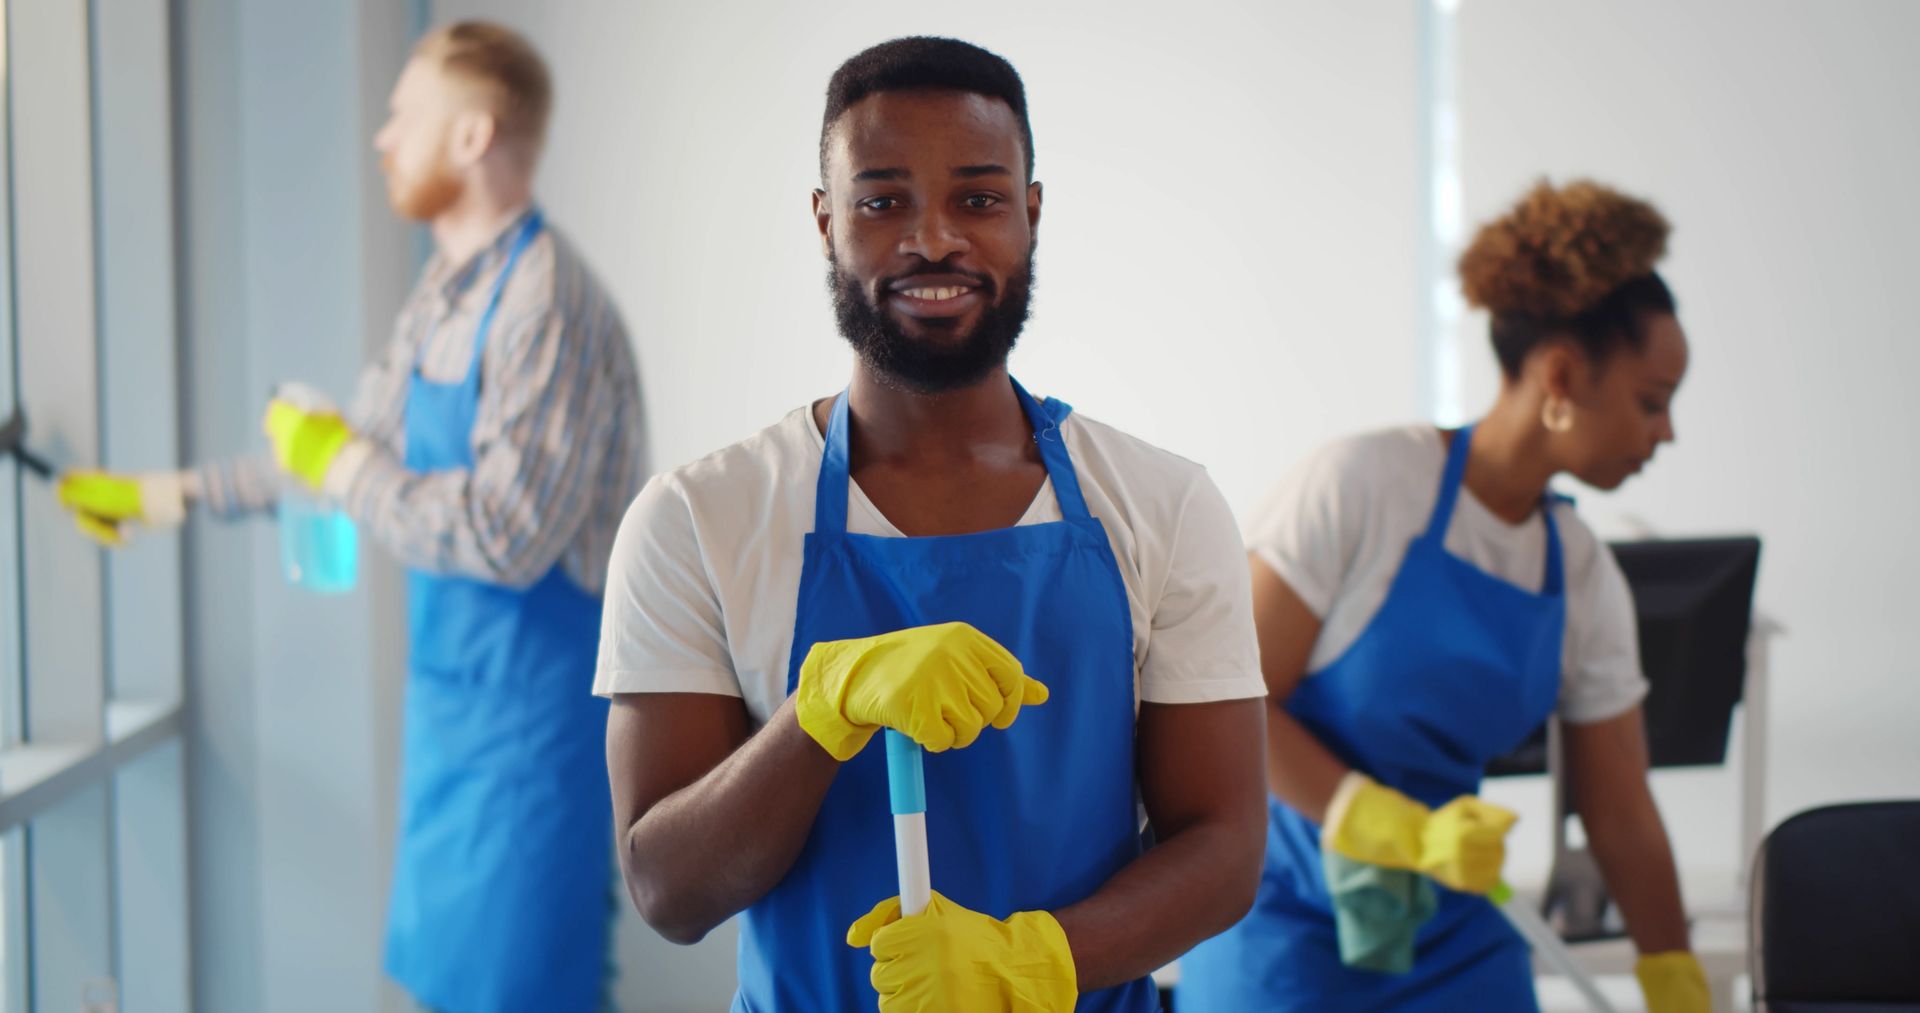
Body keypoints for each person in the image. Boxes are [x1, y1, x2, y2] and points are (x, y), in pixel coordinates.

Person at [596, 36, 1268, 1012]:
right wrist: (817, 715)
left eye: (979, 198)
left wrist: (1030, 963)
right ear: (826, 224)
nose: (935, 238)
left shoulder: (1162, 503)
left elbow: (1224, 847)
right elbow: (669, 888)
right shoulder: (699, 517)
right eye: (882, 202)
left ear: (1031, 214)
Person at [56, 22, 644, 1012]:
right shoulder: (442, 296)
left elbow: (504, 537)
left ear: (471, 137)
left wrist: (343, 458)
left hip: (533, 748)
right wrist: (172, 494)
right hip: (453, 734)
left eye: (404, 115)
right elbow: (346, 452)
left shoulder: (547, 303)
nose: (381, 137)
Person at [1175, 179, 1709, 1012]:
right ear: (1563, 374)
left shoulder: (1579, 567)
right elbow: (1229, 702)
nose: (1665, 433)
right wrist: (1375, 818)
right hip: (1283, 911)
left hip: (1451, 922)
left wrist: (1672, 970)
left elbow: (1621, 806)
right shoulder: (1366, 485)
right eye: (1653, 401)